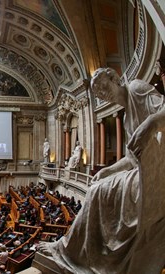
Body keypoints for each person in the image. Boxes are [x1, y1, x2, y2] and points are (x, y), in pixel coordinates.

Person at [37, 67, 165, 273]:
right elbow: (130, 158)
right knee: (98, 188)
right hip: (142, 168)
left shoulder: (136, 88)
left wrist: (151, 123)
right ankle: (81, 252)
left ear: (115, 79)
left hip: (158, 167)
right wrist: (108, 171)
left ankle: (69, 249)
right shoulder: (125, 119)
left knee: (97, 192)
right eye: (99, 94)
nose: (104, 95)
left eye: (105, 88)